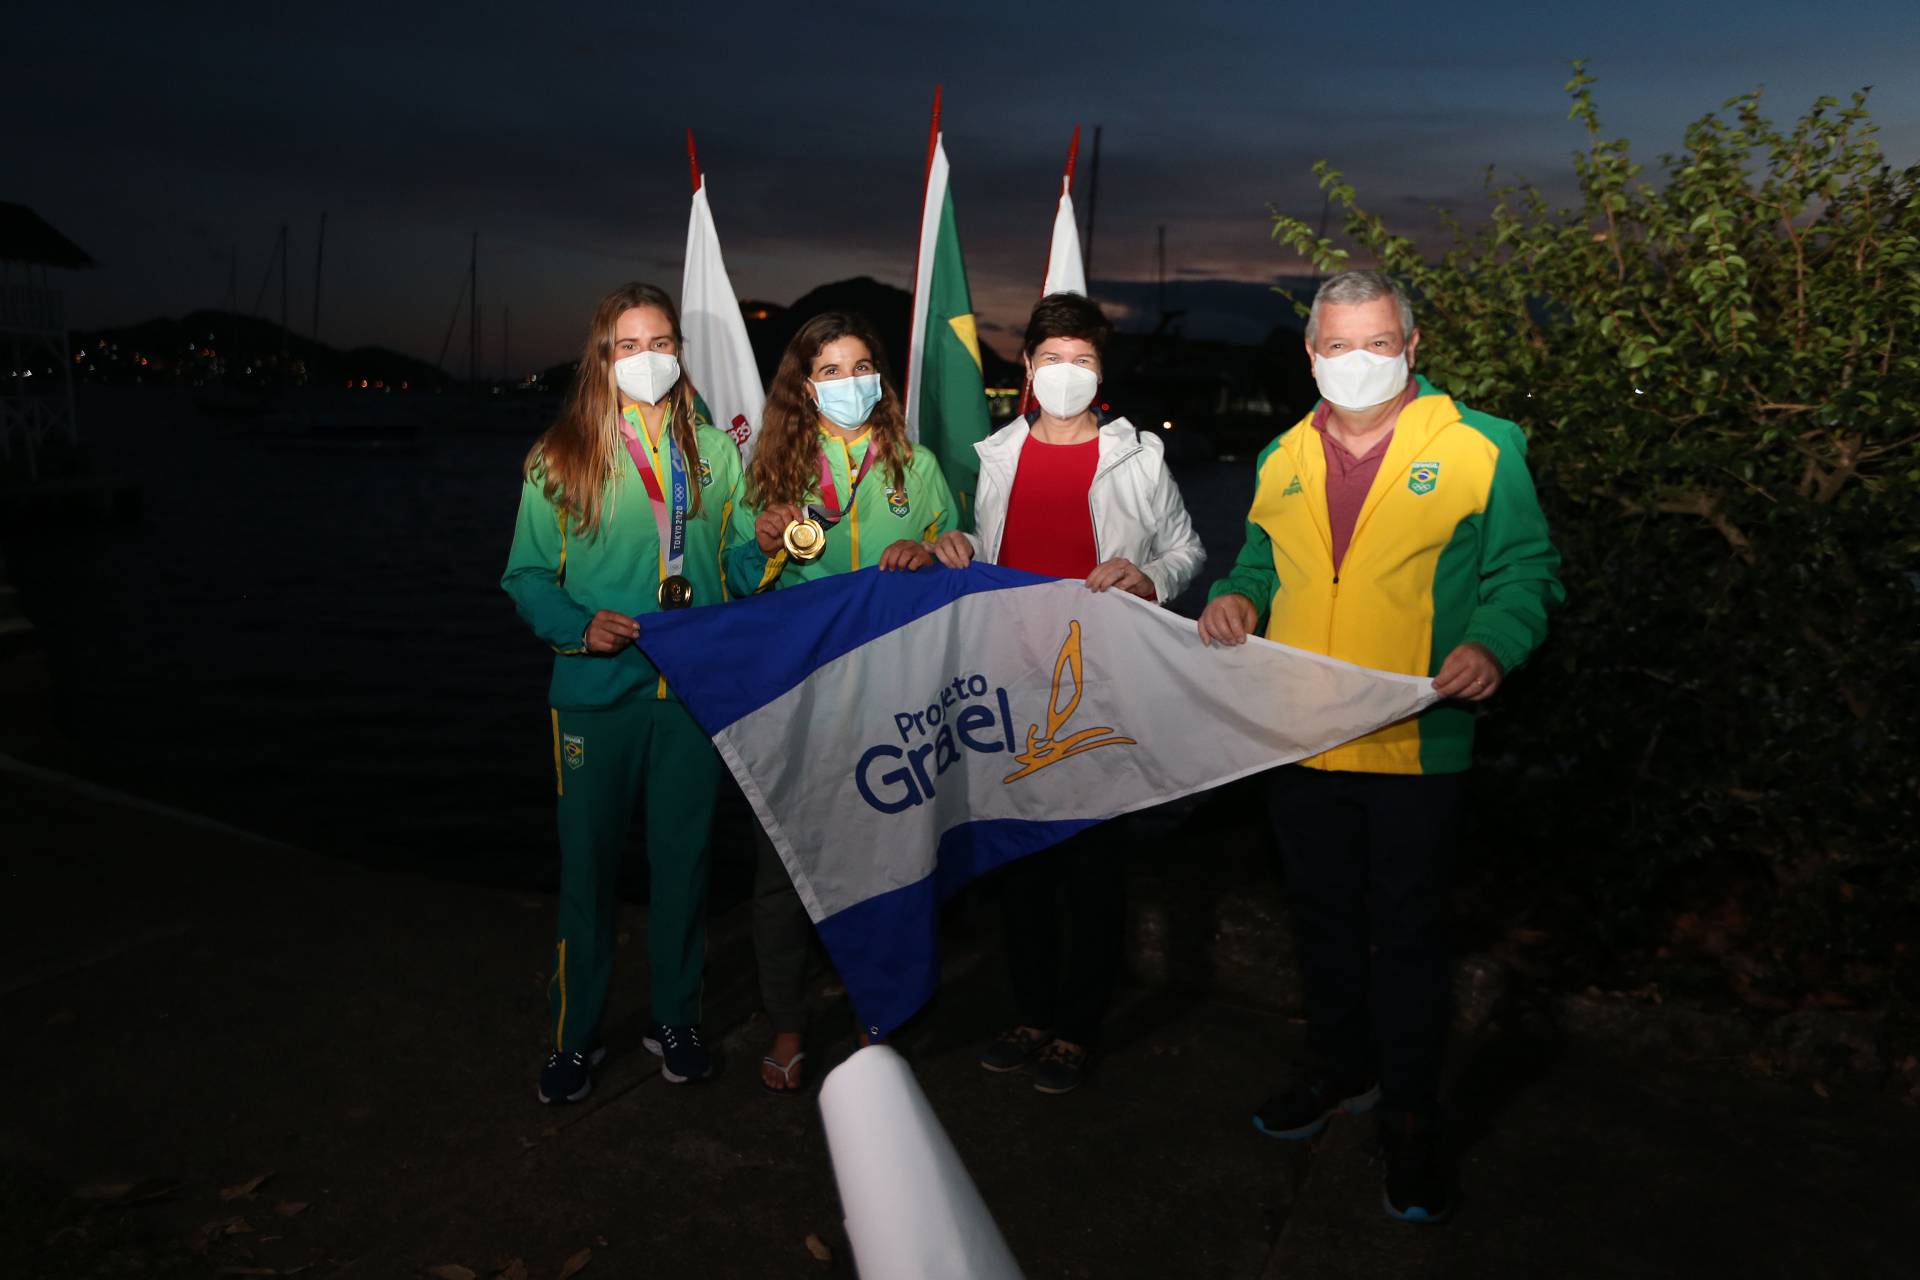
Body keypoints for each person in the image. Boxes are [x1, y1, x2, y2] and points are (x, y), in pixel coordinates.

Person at [1197, 269, 1562, 1222]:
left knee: (1407, 938)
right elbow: (1256, 563)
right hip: (1300, 737)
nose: (1357, 361)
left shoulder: (1484, 448)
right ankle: (1338, 1068)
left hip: (1414, 740)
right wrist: (1236, 598)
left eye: (1377, 343)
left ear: (1412, 346)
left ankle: (1408, 1116)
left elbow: (1526, 569)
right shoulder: (1281, 456)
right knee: (1317, 921)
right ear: (1311, 353)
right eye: (1337, 345)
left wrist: (1495, 642)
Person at [930, 291, 1204, 1093]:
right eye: (1052, 359)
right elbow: (993, 545)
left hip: (1099, 685)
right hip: (1008, 686)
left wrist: (1150, 576)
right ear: (1027, 366)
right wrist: (958, 543)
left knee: (1091, 862)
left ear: (1100, 369)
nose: (1066, 374)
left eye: (1082, 360)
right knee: (1023, 863)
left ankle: (1078, 1026)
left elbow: (1186, 547)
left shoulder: (1137, 457)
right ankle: (1029, 1012)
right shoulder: (995, 455)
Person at [502, 282, 745, 1103]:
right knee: (590, 870)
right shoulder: (560, 455)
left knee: (684, 867)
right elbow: (527, 575)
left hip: (691, 696)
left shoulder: (716, 453)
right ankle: (575, 1036)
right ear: (601, 358)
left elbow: (738, 569)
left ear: (681, 353)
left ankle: (677, 1018)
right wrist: (577, 625)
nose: (650, 359)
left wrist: (775, 542)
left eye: (664, 343)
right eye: (629, 346)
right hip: (596, 693)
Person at [723, 311, 959, 1095]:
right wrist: (758, 539)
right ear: (803, 384)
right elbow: (728, 576)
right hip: (795, 700)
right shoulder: (773, 464)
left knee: (886, 867)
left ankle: (876, 1022)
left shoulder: (915, 464)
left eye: (861, 366)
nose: (848, 383)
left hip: (891, 701)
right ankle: (787, 1021)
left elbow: (955, 551)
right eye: (828, 370)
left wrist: (930, 552)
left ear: (880, 378)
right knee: (781, 874)